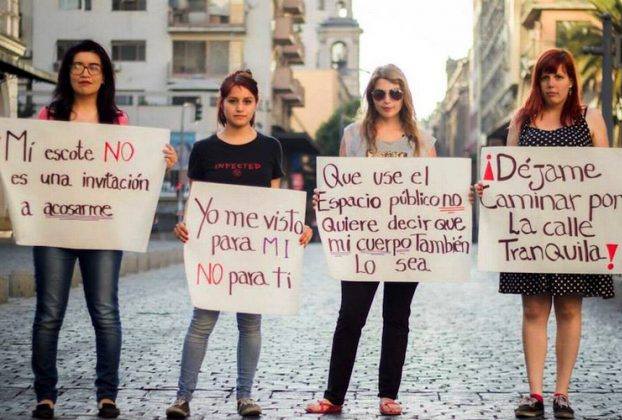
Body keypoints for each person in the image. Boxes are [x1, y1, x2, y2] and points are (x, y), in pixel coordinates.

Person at [31, 39, 177, 419]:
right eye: (78, 66)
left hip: (103, 230)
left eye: (93, 67)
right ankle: (45, 396)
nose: (85, 73)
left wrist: (161, 162)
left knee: (106, 312)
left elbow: (129, 173)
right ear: (67, 73)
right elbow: (29, 167)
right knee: (49, 314)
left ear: (104, 76)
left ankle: (107, 395)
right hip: (53, 228)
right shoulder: (48, 117)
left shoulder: (117, 121)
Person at [165, 70, 313, 418]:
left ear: (256, 104)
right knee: (201, 324)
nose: (240, 107)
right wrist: (184, 226)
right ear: (222, 104)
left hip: (254, 257)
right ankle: (182, 398)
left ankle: (245, 396)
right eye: (233, 100)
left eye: (247, 101)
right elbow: (196, 203)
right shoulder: (203, 149)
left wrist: (298, 229)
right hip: (213, 256)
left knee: (250, 326)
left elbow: (275, 205)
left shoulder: (270, 147)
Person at [475, 48, 613, 419]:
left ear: (571, 81)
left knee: (569, 308)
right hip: (530, 234)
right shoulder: (523, 119)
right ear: (537, 82)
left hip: (575, 234)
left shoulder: (589, 118)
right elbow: (506, 174)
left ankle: (562, 393)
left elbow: (607, 174)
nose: (551, 83)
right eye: (545, 76)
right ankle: (535, 393)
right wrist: (488, 188)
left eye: (559, 76)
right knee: (534, 309)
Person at [306, 64, 440, 416]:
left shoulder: (422, 141)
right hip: (361, 244)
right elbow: (338, 185)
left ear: (404, 95)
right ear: (370, 96)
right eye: (379, 93)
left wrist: (458, 198)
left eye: (395, 93)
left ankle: (388, 395)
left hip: (406, 243)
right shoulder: (353, 136)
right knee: (350, 317)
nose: (387, 99)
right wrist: (325, 197)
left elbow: (436, 191)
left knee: (397, 318)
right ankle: (333, 396)